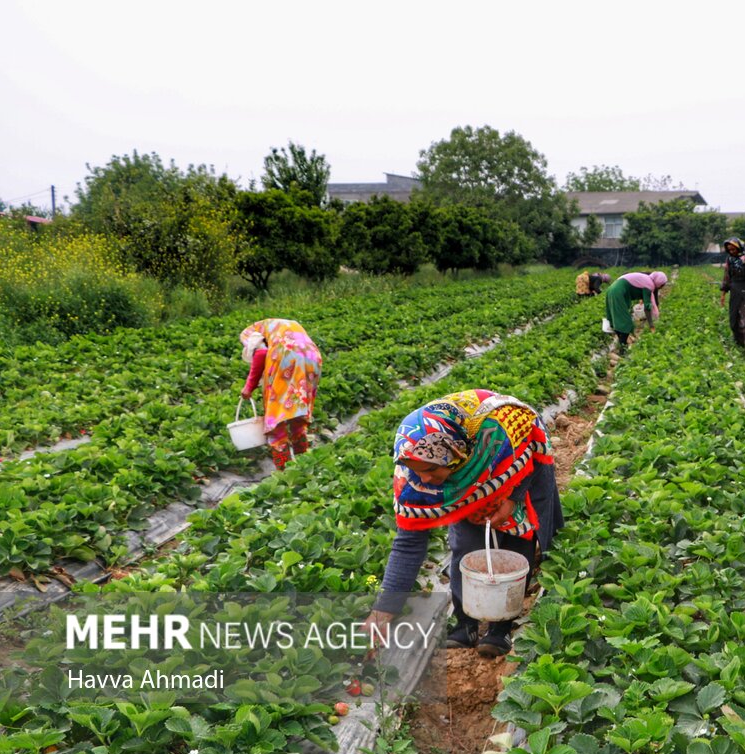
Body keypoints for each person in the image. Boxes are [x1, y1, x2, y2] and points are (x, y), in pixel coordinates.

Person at [365, 389, 563, 658]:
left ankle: (500, 628)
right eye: (418, 470)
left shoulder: (498, 433)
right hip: (470, 481)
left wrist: (513, 500)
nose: (426, 479)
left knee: (517, 542)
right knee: (465, 546)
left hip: (518, 465)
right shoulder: (411, 478)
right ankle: (465, 624)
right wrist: (383, 611)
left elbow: (527, 454)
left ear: (455, 454)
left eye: (433, 470)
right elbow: (408, 544)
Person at [239, 319, 322, 470]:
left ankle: (284, 471)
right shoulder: (276, 325)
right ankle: (304, 466)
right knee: (297, 414)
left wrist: (249, 387)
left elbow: (261, 353)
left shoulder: (247, 333)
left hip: (286, 356)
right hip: (312, 358)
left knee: (275, 421)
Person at [604, 270, 668, 352]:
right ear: (659, 282)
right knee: (626, 323)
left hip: (613, 289)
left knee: (619, 320)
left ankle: (623, 345)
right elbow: (647, 308)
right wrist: (651, 325)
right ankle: (623, 349)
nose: (661, 287)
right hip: (617, 292)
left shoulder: (647, 280)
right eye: (662, 285)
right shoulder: (649, 285)